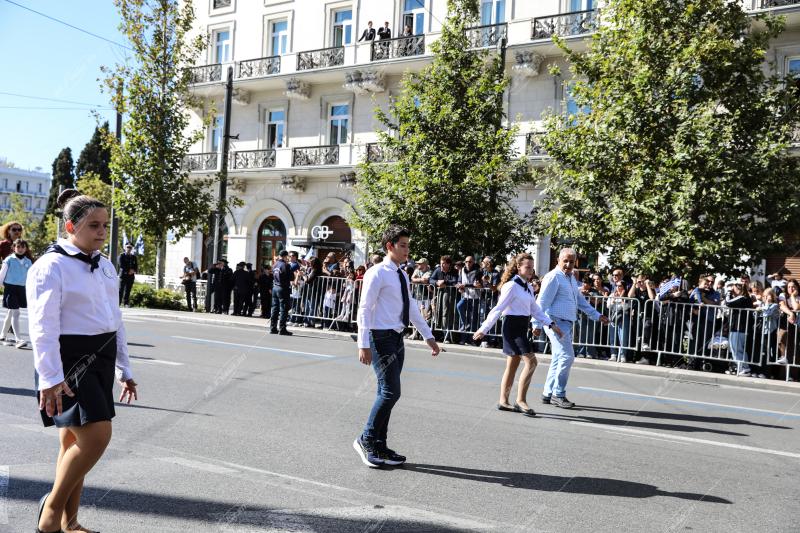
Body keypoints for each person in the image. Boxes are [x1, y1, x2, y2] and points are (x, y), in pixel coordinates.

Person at [29, 189, 138, 533]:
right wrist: (49, 378)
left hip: (102, 356)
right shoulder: (50, 266)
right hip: (68, 359)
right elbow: (42, 328)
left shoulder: (105, 265)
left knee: (71, 442)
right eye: (94, 225)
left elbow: (114, 319)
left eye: (105, 225)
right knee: (96, 437)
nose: (102, 231)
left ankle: (70, 523)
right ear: (71, 225)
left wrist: (125, 368)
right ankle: (52, 508)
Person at [354, 224, 440, 468]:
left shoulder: (401, 274)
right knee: (391, 391)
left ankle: (380, 445)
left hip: (396, 338)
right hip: (379, 338)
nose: (407, 250)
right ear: (389, 246)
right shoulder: (377, 272)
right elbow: (364, 308)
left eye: (408, 246)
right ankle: (366, 439)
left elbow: (411, 308)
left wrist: (428, 336)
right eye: (403, 245)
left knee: (386, 393)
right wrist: (363, 343)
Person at [473, 253, 562, 417]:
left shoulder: (527, 286)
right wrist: (483, 329)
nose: (531, 270)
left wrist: (550, 324)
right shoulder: (511, 286)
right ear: (518, 268)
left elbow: (535, 310)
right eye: (527, 267)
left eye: (532, 267)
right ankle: (521, 400)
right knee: (532, 362)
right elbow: (498, 309)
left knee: (512, 365)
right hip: (512, 327)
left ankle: (503, 401)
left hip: (522, 326)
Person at [535, 248, 610, 409]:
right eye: (565, 261)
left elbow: (580, 302)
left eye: (571, 261)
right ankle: (558, 394)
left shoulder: (569, 278)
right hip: (555, 323)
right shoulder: (553, 277)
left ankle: (548, 393)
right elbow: (541, 303)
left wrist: (598, 316)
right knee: (567, 357)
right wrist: (536, 325)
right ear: (558, 260)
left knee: (558, 358)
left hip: (566, 323)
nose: (568, 264)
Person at [0, 238, 33, 348]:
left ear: (26, 248)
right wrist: (2, 285)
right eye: (18, 246)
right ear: (13, 248)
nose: (20, 249)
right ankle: (18, 339)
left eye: (23, 247)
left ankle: (2, 335)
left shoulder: (28, 262)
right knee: (16, 313)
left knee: (11, 312)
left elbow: (31, 278)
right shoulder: (9, 260)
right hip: (10, 288)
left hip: (21, 289)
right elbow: (1, 275)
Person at [271, 250, 293, 335]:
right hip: (283, 288)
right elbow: (291, 277)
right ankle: (282, 329)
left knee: (275, 308)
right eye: (287, 256)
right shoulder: (286, 265)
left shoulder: (275, 264)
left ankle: (273, 328)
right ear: (285, 256)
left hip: (275, 287)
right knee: (284, 309)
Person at [117, 242, 137, 307]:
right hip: (123, 276)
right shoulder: (121, 256)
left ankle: (126, 303)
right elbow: (121, 265)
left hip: (131, 276)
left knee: (128, 290)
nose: (129, 248)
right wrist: (128, 270)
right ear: (125, 248)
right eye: (128, 247)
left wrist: (133, 271)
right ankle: (118, 303)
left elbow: (136, 266)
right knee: (120, 290)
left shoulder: (133, 257)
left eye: (130, 247)